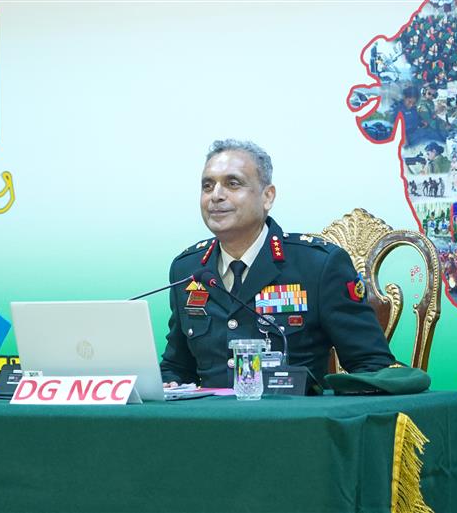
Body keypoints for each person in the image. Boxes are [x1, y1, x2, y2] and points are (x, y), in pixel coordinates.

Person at [160, 140, 396, 388]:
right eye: (207, 186)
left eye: (233, 183)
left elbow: (372, 364)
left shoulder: (317, 265)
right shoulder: (188, 269)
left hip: (292, 421)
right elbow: (177, 367)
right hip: (210, 423)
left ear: (267, 196)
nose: (216, 196)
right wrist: (168, 384)